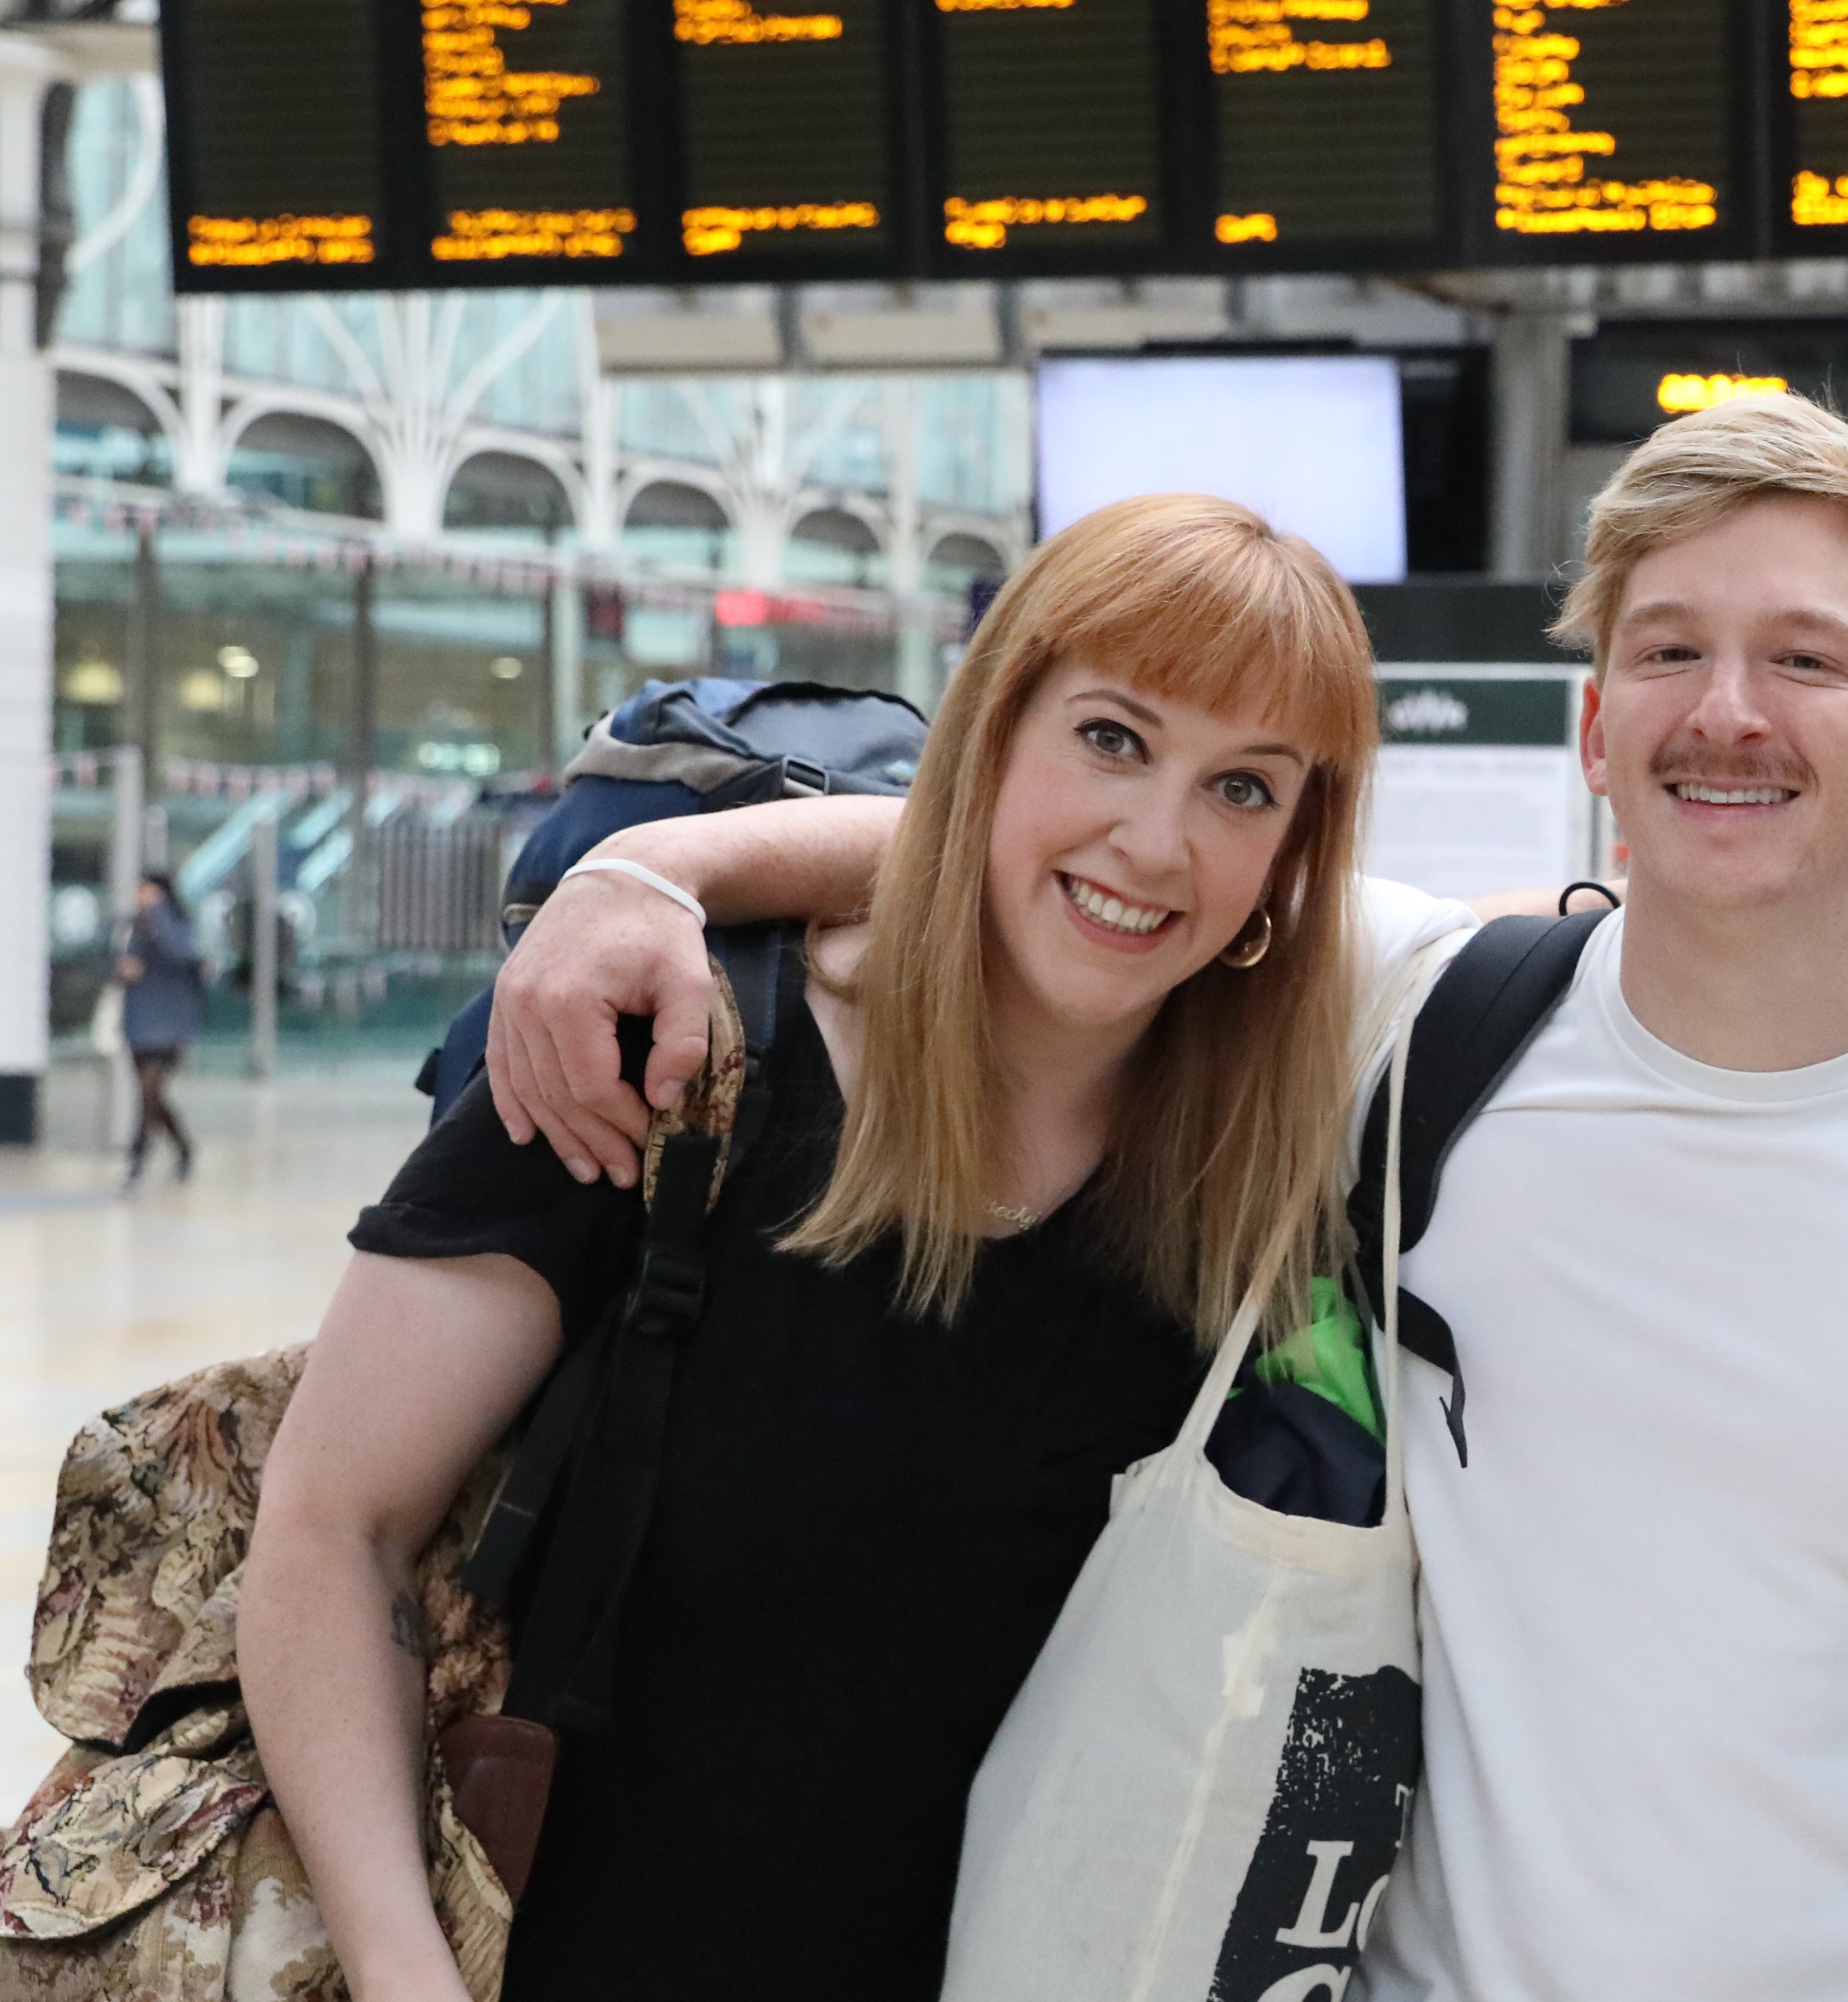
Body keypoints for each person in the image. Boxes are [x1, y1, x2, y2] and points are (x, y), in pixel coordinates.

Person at [479, 398, 1848, 2002]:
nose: (1726, 708)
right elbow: (1050, 859)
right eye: (1668, 648)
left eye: (1805, 657)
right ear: (1596, 728)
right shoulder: (1419, 1009)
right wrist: (655, 864)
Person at [238, 496, 1454, 2002]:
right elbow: (323, 1525)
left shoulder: (1259, 1169)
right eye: (1111, 738)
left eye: (1244, 787)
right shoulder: (675, 1060)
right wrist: (398, 1969)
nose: (1158, 840)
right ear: (995, 728)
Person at [111, 872, 204, 1187]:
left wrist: (158, 916)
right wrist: (120, 967)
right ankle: (183, 1147)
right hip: (138, 1023)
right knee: (152, 1096)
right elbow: (110, 958)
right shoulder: (128, 927)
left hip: (172, 1024)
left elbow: (182, 952)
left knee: (150, 1091)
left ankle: (136, 1156)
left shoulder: (178, 925)